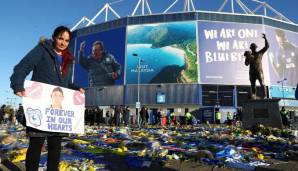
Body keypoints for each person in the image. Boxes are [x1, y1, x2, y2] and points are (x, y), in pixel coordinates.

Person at [10, 26, 84, 171]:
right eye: (60, 38)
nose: (63, 43)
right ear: (54, 37)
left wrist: (76, 89)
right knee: (36, 145)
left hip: (57, 112)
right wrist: (18, 85)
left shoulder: (68, 59)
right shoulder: (42, 50)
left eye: (67, 40)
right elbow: (23, 66)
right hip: (40, 106)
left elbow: (65, 83)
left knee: (56, 147)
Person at [244, 33, 269, 99]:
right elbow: (246, 64)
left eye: (254, 47)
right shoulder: (249, 55)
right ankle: (254, 96)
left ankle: (264, 96)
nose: (253, 48)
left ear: (256, 47)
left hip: (259, 71)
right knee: (253, 85)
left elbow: (267, 46)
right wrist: (247, 57)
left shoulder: (259, 53)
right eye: (252, 47)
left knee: (262, 83)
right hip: (252, 72)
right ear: (251, 48)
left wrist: (265, 38)